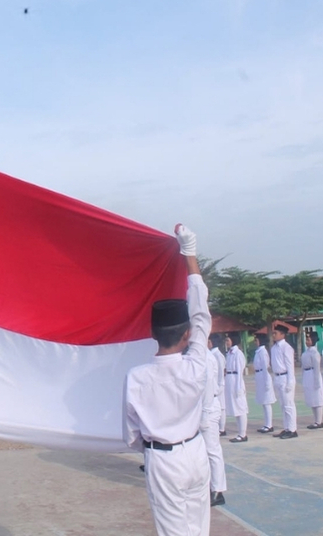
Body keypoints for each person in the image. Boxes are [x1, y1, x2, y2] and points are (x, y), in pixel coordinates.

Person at [124, 224, 211, 536]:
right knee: (199, 528)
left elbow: (132, 435)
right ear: (187, 335)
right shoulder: (196, 366)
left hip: (163, 458)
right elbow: (201, 315)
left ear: (152, 333)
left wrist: (150, 448)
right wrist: (189, 252)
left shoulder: (137, 378)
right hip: (196, 452)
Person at [202, 343, 227, 507]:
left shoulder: (207, 358)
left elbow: (209, 387)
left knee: (212, 450)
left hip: (209, 407)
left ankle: (218, 490)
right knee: (203, 451)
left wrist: (204, 413)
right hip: (201, 408)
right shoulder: (195, 356)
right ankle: (208, 485)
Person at [270, 324, 298, 439]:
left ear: (282, 334)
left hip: (286, 377)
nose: (274, 335)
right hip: (278, 377)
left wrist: (290, 382)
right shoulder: (274, 348)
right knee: (283, 405)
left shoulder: (287, 348)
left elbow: (290, 366)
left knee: (289, 405)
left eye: (275, 333)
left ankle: (292, 429)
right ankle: (286, 428)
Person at [224, 333, 249, 443]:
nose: (226, 342)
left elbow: (239, 372)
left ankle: (243, 434)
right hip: (230, 380)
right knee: (236, 408)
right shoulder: (229, 353)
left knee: (240, 407)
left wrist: (238, 387)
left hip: (236, 381)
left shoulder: (238, 354)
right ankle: (240, 433)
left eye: (228, 340)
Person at [252, 333, 276, 434]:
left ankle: (269, 425)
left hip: (264, 376)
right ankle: (266, 424)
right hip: (259, 376)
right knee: (263, 402)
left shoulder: (263, 352)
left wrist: (266, 382)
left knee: (267, 402)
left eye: (256, 340)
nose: (255, 342)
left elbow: (265, 368)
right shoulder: (258, 351)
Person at [302, 332, 323, 429]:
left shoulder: (315, 353)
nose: (307, 341)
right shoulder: (305, 353)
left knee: (317, 399)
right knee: (311, 399)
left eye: (309, 340)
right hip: (307, 375)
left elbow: (317, 368)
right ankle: (315, 420)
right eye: (306, 340)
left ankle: (319, 421)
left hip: (313, 374)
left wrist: (317, 381)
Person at [208, 334, 227, 437]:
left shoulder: (218, 356)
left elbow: (221, 373)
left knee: (221, 407)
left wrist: (220, 387)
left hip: (219, 385)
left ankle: (222, 429)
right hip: (214, 386)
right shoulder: (212, 354)